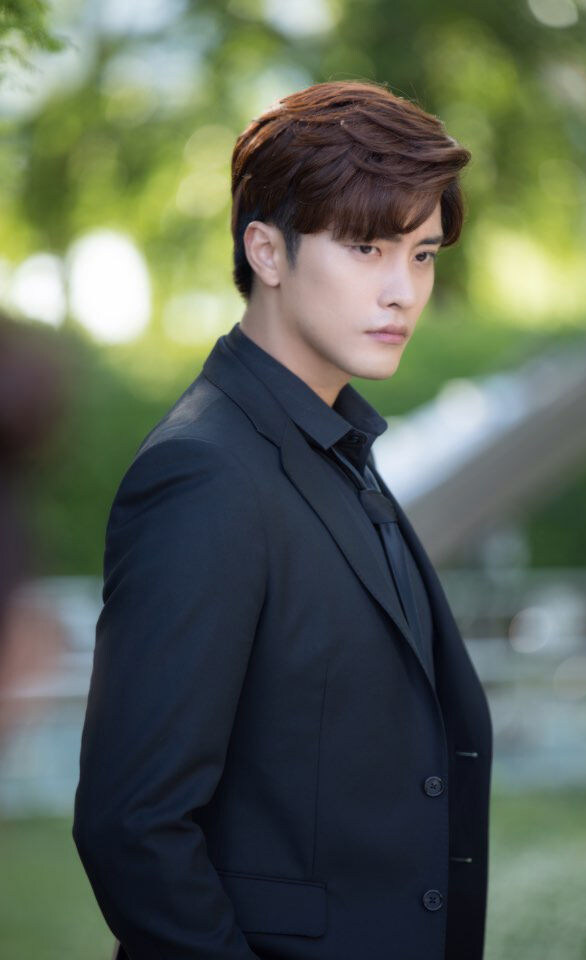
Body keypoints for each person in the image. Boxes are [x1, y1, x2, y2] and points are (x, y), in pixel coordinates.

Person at [73, 79, 493, 960]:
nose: (404, 291)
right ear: (266, 250)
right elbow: (134, 824)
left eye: (422, 254)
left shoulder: (335, 445)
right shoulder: (204, 473)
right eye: (367, 247)